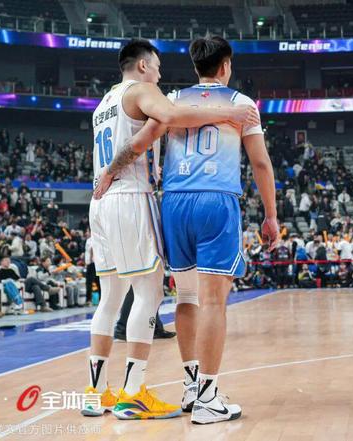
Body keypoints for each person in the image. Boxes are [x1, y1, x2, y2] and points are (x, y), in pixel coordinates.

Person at [86, 39, 259, 420]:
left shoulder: (103, 103)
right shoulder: (142, 90)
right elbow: (170, 116)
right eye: (158, 67)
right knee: (148, 294)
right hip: (130, 195)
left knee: (110, 297)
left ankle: (95, 393)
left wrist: (112, 171)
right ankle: (133, 394)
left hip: (100, 203)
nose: (160, 75)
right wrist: (228, 110)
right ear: (143, 66)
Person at [160, 36, 278, 424]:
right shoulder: (241, 103)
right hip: (216, 198)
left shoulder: (173, 99)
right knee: (213, 301)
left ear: (197, 67)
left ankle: (191, 386)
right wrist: (271, 215)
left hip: (174, 200)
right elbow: (260, 164)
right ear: (225, 66)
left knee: (186, 296)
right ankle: (209, 398)